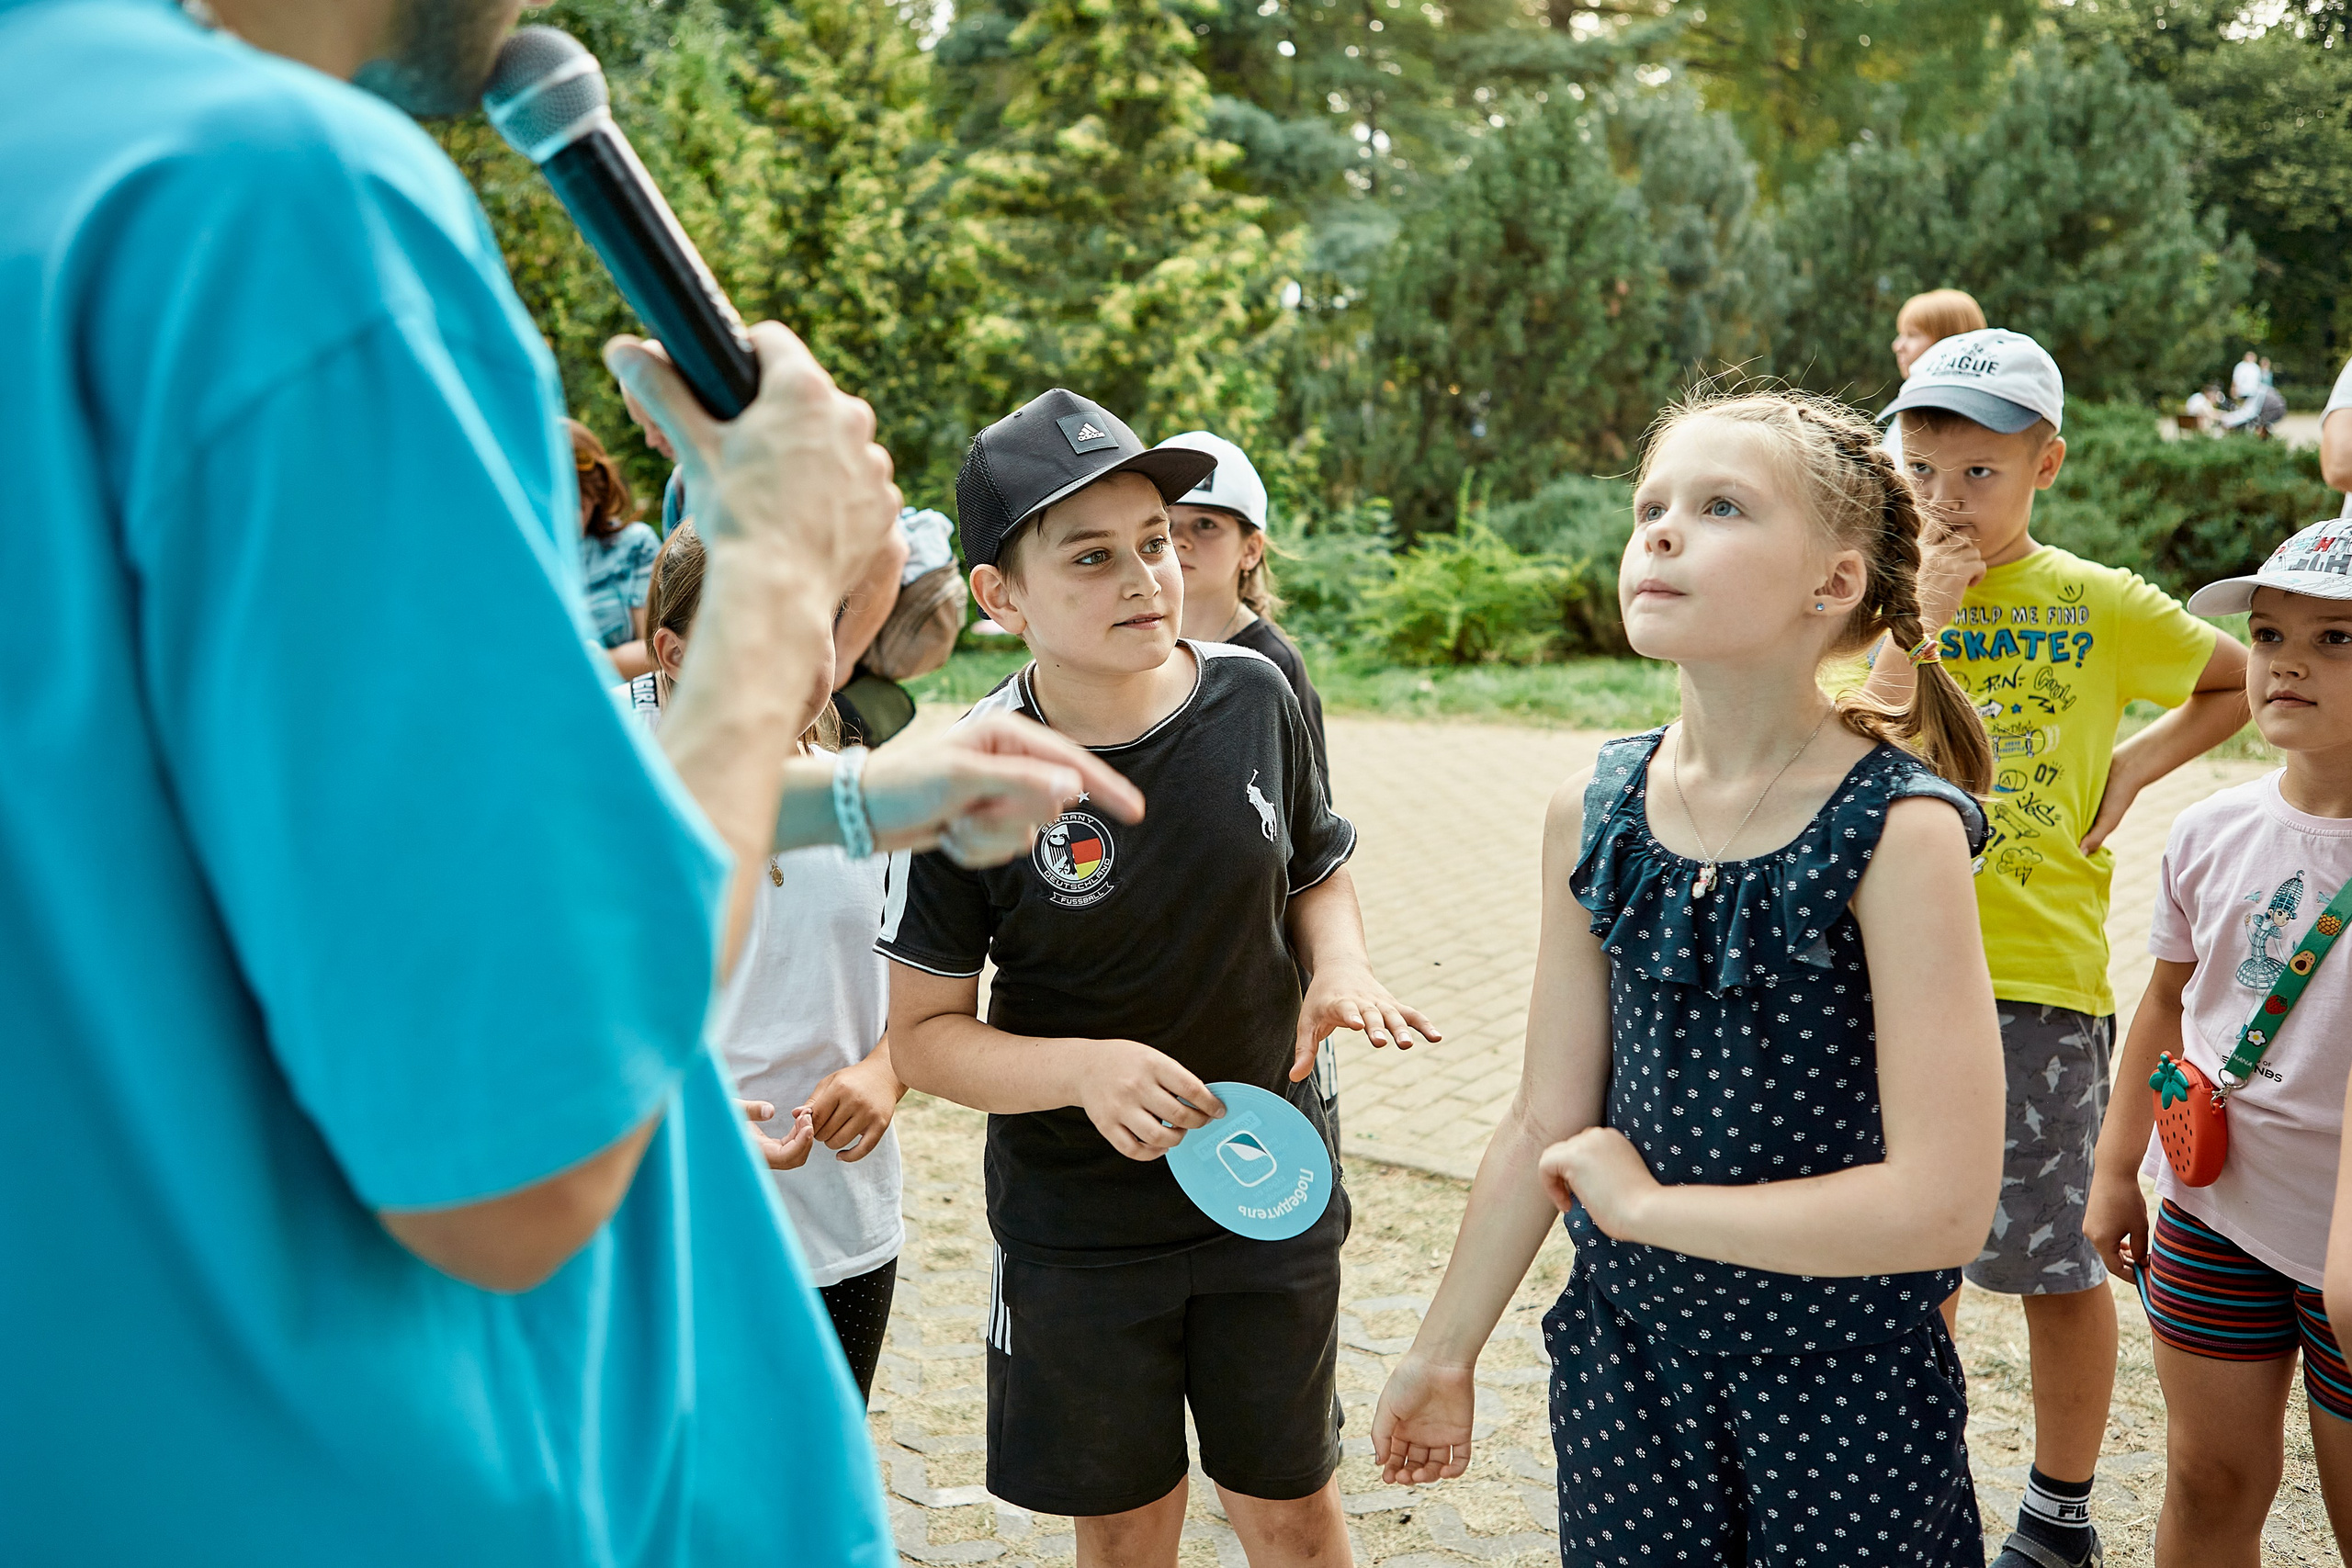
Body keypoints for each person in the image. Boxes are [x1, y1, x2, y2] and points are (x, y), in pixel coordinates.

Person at [1, 0, 1147, 1559]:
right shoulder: (253, 198)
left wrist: (857, 796)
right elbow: (519, 1163)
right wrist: (773, 575)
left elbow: (248, 858)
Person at [1370, 388, 2004, 1565]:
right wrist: (1441, 1349)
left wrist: (1652, 1213)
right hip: (1629, 1375)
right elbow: (1541, 1120)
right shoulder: (1593, 811)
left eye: (1719, 507)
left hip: (1843, 1389)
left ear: (1834, 583)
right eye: (1650, 505)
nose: (1658, 532)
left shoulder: (1897, 830)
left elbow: (1945, 1203)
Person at [882, 389, 1439, 1568]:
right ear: (1000, 597)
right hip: (1078, 1228)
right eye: (1092, 557)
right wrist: (1084, 1069)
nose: (1146, 576)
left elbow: (1314, 869)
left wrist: (1338, 967)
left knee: (1290, 1510)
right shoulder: (959, 777)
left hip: (1267, 1185)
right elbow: (926, 1037)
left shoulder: (1257, 692)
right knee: (1129, 1529)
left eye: (1156, 542)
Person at [1871, 327, 2251, 1568]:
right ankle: (1913, 1484)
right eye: (1923, 470)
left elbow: (2238, 677)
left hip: (2035, 981)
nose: (1946, 500)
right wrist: (1919, 615)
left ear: (2049, 465)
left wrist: (2134, 766)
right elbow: (1855, 727)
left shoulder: (2095, 601)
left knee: (2047, 1257)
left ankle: (2059, 1504)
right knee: (1898, 1248)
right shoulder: (1877, 599)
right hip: (1882, 976)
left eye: (1980, 472)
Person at [2086, 518, 2352, 1564]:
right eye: (2271, 633)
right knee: (2206, 1480)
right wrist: (2115, 1169)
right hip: (2209, 1212)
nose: (2286, 660)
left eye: (2336, 640)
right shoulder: (2208, 830)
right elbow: (2162, 1003)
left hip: (2344, 1250)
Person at [630, 522, 906, 1404]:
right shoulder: (611, 794)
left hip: (849, 1234)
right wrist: (690, 1113)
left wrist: (887, 1069)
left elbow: (931, 997)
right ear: (673, 651)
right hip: (666, 1231)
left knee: (810, 1502)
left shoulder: (865, 800)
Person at [1154, 429, 1329, 791]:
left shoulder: (1274, 662)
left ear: (1250, 549)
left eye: (1206, 525)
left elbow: (1312, 813)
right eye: (1165, 524)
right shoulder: (1130, 639)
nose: (1180, 539)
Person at [571, 416, 660, 679]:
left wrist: (591, 661)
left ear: (595, 493)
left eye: (574, 502)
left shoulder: (634, 545)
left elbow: (657, 651)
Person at [1884, 287, 1987, 464]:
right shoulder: (1910, 406)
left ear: (1949, 342)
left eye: (1912, 335)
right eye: (1901, 334)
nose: (1897, 345)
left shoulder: (1959, 422)